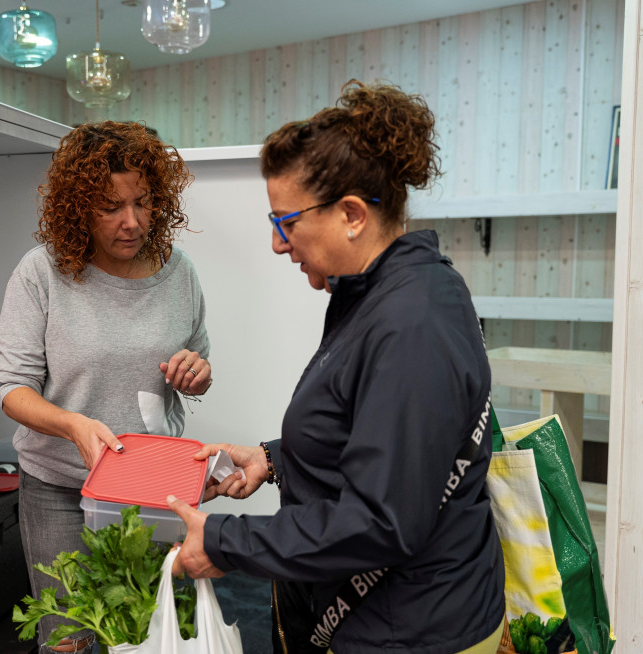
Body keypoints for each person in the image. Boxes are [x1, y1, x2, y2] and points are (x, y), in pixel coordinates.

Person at [167, 80, 505, 654]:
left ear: (351, 214)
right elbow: (369, 431)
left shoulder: (412, 321)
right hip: (370, 614)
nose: (278, 244)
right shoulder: (373, 296)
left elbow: (382, 519)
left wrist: (227, 543)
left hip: (409, 629)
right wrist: (276, 457)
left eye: (286, 222)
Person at [0, 121, 213, 653]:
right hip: (60, 489)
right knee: (70, 640)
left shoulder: (178, 273)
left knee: (148, 634)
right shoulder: (41, 273)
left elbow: (199, 368)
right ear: (77, 208)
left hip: (151, 495)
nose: (131, 222)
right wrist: (72, 425)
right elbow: (11, 387)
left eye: (142, 202)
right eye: (110, 207)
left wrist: (197, 374)